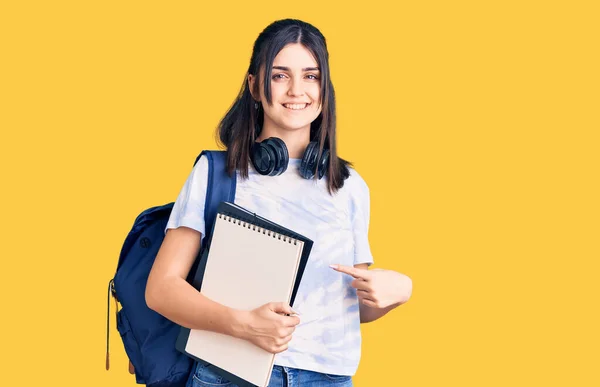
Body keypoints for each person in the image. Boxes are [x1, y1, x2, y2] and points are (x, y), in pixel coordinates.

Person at [146, 18, 413, 387]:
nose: (296, 90)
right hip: (230, 373)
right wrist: (244, 325)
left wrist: (397, 293)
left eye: (311, 76)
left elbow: (353, 305)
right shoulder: (216, 173)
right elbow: (161, 289)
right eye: (279, 75)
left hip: (327, 377)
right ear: (255, 86)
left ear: (324, 88)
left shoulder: (350, 187)